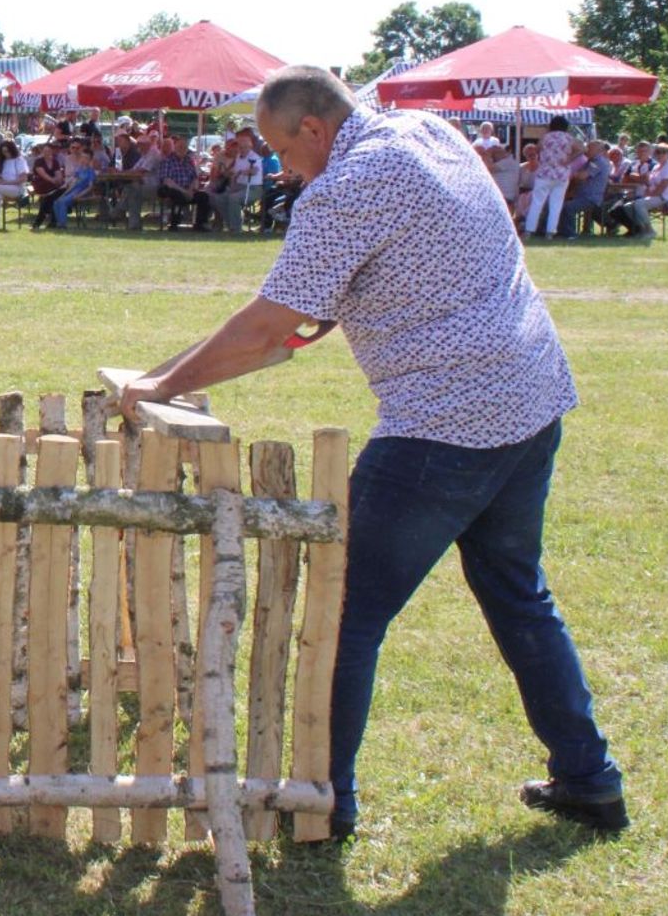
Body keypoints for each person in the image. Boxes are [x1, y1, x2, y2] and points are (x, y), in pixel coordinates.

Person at [121, 66, 626, 840]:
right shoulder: (426, 132)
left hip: (446, 421)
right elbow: (305, 321)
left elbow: (270, 328)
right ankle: (590, 779)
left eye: (285, 151)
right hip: (529, 399)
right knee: (519, 593)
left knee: (343, 611)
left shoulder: (349, 185)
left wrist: (160, 384)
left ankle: (327, 803)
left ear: (316, 130)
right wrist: (174, 370)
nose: (284, 169)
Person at [523, 116, 575, 240]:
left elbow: (537, 149)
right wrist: (569, 159)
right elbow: (582, 149)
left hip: (544, 173)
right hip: (561, 174)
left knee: (537, 202)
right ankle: (550, 232)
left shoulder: (546, 137)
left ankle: (529, 230)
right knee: (556, 204)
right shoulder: (569, 138)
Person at [620, 142, 668, 239]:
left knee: (639, 204)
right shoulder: (656, 167)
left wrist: (646, 194)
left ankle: (649, 231)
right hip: (653, 196)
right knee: (627, 207)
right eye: (658, 152)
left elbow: (660, 189)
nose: (660, 154)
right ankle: (640, 230)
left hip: (665, 198)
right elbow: (649, 183)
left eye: (664, 152)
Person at [558, 140, 609, 238]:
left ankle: (571, 234)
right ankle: (562, 231)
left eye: (589, 148)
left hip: (591, 198)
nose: (586, 150)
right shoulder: (590, 161)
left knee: (568, 207)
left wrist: (570, 174)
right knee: (559, 205)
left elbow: (582, 176)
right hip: (581, 195)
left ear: (597, 150)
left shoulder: (599, 162)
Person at [0, 140, 29, 230]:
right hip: (4, 188)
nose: (5, 154)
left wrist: (5, 183)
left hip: (18, 189)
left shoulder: (19, 160)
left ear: (12, 150)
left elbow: (23, 179)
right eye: (3, 152)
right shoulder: (2, 161)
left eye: (7, 151)